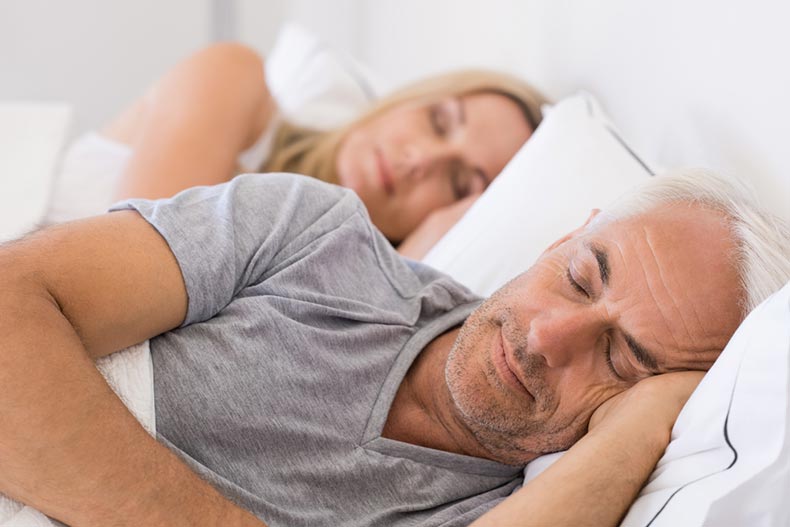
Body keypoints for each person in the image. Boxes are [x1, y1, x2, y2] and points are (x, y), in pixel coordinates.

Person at [1, 168, 787, 527]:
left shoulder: (525, 505)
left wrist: (640, 431)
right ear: (563, 236)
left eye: (623, 357)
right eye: (580, 277)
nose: (550, 337)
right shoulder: (310, 236)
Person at [44, 42, 546, 258]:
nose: (420, 160)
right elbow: (128, 276)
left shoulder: (343, 297)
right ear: (408, 100)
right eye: (437, 122)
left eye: (459, 183)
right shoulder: (234, 80)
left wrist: (411, 269)